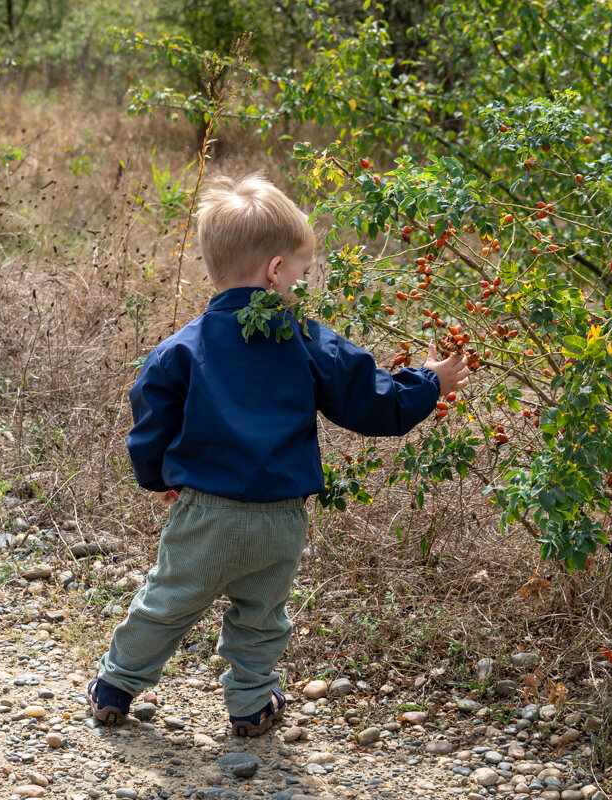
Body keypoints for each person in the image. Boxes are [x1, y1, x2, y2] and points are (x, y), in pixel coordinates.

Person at [88, 172, 470, 736]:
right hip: (279, 519)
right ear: (275, 270)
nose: (301, 285)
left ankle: (116, 685)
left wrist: (157, 475)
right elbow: (371, 404)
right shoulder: (307, 340)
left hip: (204, 514)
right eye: (301, 273)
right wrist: (428, 383)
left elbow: (150, 415)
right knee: (262, 617)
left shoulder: (181, 349)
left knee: (167, 600)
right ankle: (251, 704)